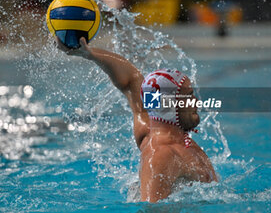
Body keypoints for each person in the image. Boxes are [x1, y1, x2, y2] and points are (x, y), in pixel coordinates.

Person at [56, 37, 218, 203]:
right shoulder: (162, 156)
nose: (196, 102)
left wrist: (89, 53)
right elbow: (151, 209)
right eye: (189, 95)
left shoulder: (150, 128)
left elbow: (131, 80)